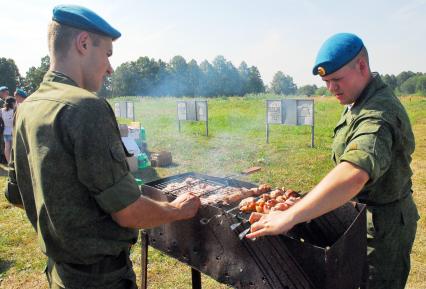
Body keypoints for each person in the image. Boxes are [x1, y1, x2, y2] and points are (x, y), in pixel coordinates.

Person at [5, 5, 201, 289]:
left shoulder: (29, 106)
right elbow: (128, 212)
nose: (110, 68)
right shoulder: (86, 108)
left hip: (60, 274)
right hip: (101, 279)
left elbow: (16, 193)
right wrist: (177, 210)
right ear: (83, 43)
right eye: (107, 54)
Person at [247, 33, 419, 289]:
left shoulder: (378, 113)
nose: (331, 88)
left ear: (362, 66)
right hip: (359, 216)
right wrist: (306, 201)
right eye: (326, 81)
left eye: (336, 79)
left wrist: (293, 215)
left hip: (382, 230)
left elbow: (354, 173)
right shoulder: (358, 101)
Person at [0, 97, 16, 163]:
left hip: (5, 131)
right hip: (14, 131)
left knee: (7, 148)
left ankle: (9, 162)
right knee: (13, 148)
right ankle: (13, 162)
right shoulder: (14, 110)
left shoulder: (1, 110)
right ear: (12, 103)